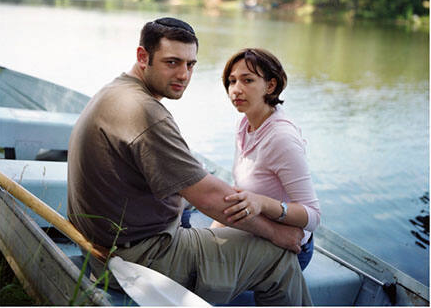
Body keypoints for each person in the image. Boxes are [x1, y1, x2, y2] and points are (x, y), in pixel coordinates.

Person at [67, 17, 313, 306]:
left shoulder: (115, 91)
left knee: (189, 207)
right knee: (279, 259)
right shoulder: (145, 112)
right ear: (142, 57)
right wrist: (277, 233)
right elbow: (209, 197)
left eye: (191, 64)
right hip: (141, 259)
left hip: (103, 247)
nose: (184, 74)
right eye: (172, 62)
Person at [212, 48, 320, 271]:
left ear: (270, 86)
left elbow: (313, 216)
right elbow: (241, 193)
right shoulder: (245, 125)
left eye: (247, 80)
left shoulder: (281, 138)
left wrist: (262, 203)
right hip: (256, 231)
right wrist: (212, 234)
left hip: (288, 248)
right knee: (197, 250)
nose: (236, 90)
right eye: (231, 81)